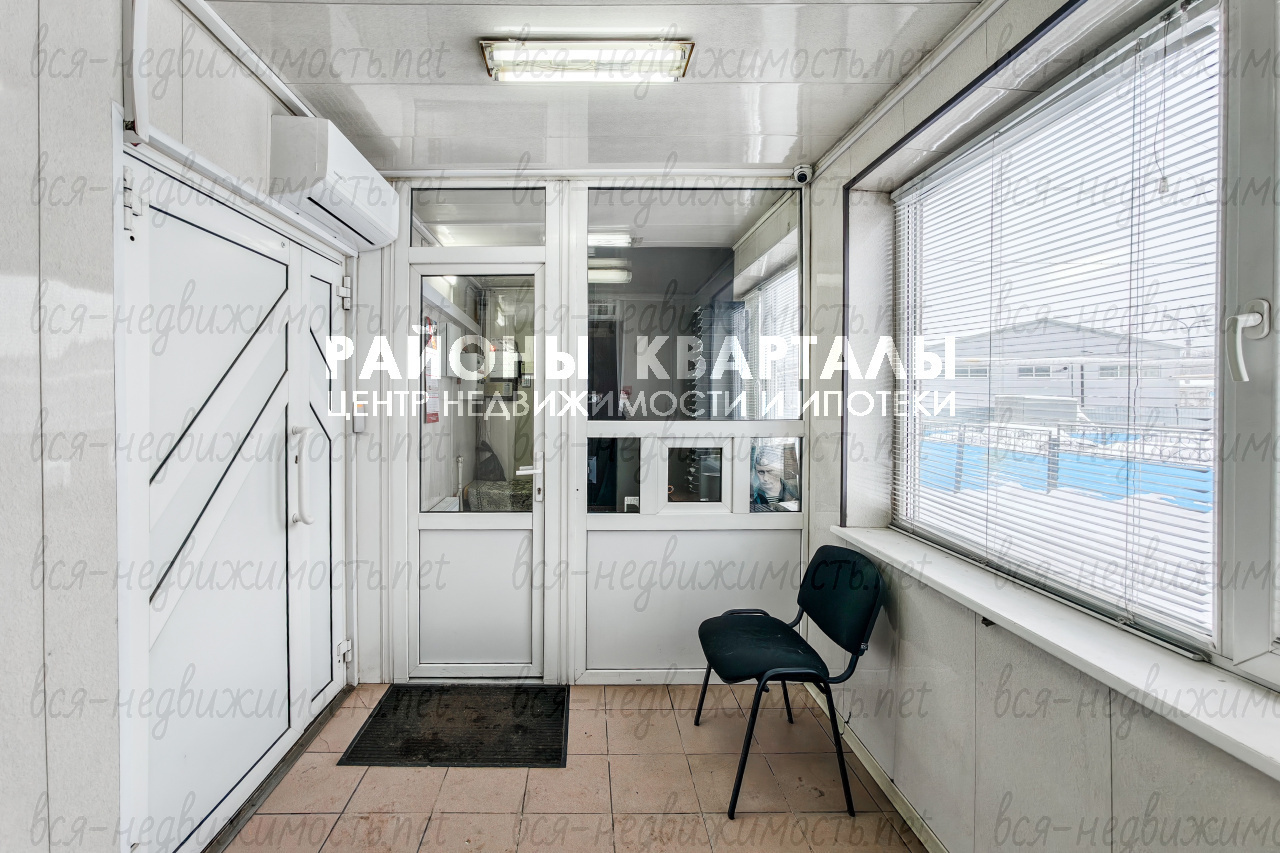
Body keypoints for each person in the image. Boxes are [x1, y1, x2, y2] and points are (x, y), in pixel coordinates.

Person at [751, 444, 799, 511]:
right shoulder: (751, 495)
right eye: (761, 472)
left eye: (770, 472)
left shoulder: (796, 492)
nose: (765, 478)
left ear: (779, 471)